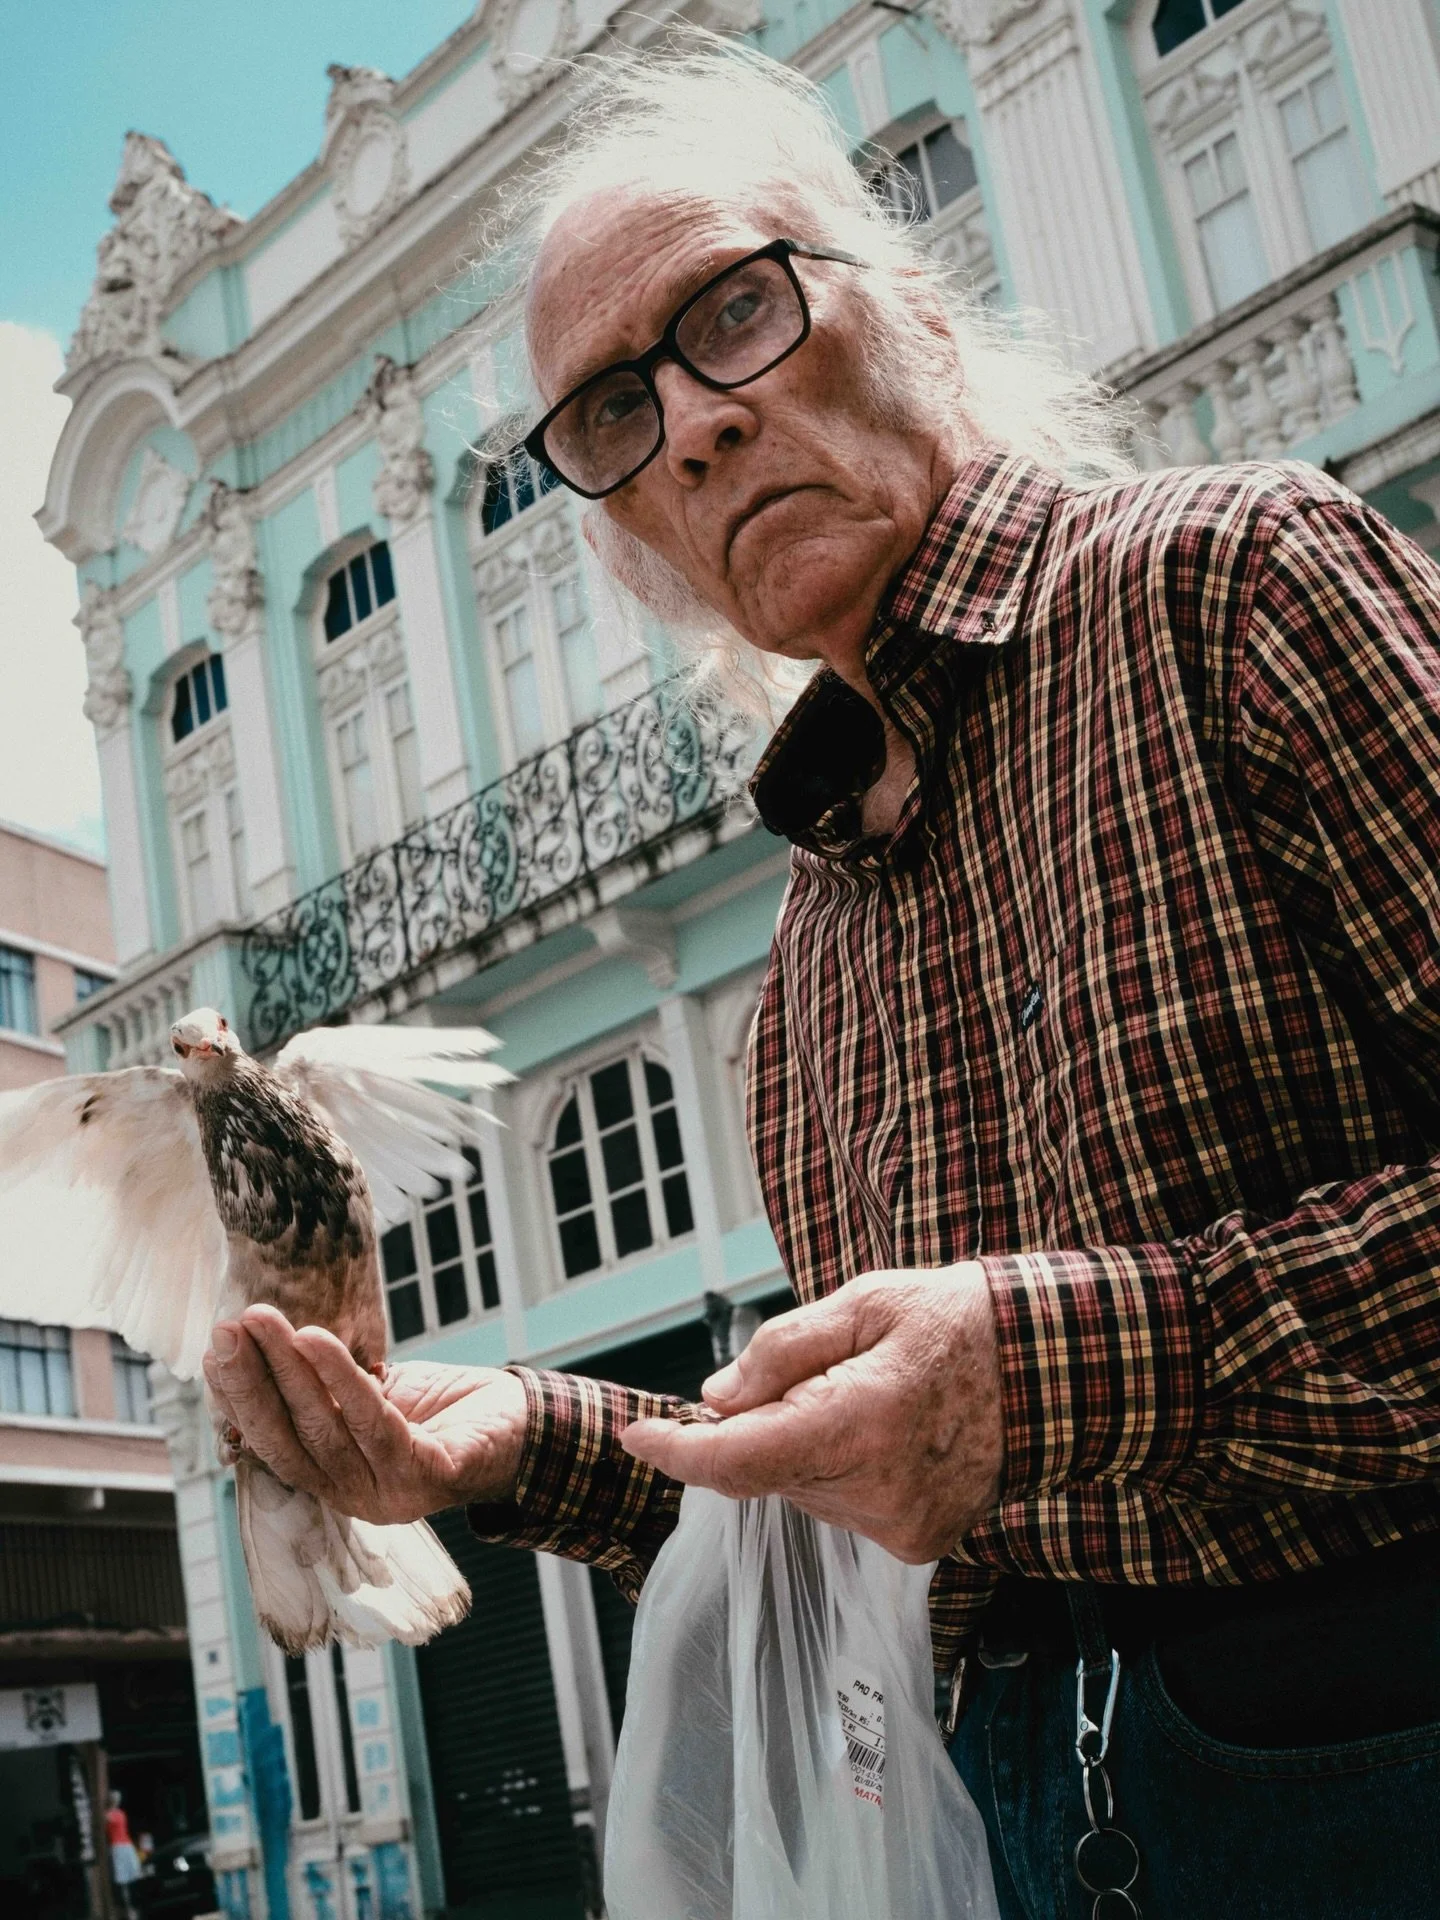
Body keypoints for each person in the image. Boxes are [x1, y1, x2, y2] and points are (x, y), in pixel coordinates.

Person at [206, 37, 1440, 1918]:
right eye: (613, 415)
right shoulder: (808, 971)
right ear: (625, 545)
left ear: (918, 310)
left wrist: (1053, 1369)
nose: (691, 422)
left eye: (735, 314)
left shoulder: (1234, 584)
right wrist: (511, 1443)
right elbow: (843, 1502)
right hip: (1030, 1819)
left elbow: (1000, 1390)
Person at [105, 1790, 141, 1919]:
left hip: (122, 1846)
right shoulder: (113, 1814)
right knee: (123, 1880)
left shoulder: (118, 1814)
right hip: (119, 1847)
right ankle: (128, 1908)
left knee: (127, 1878)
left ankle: (130, 1908)